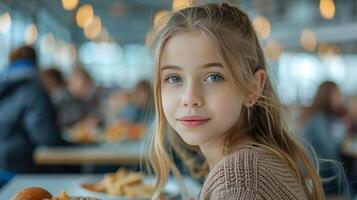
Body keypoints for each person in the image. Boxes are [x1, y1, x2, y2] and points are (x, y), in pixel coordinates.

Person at [146, 3, 325, 200]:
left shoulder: (239, 183)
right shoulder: (252, 167)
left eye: (213, 77)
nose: (190, 99)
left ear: (253, 87)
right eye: (174, 78)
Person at [0, 46, 65, 173]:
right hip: (21, 166)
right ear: (36, 61)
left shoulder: (4, 85)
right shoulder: (33, 91)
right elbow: (46, 137)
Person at [301, 81, 348, 195]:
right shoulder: (319, 119)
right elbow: (329, 149)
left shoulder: (326, 117)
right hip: (319, 174)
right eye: (337, 94)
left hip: (319, 170)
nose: (340, 98)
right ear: (327, 97)